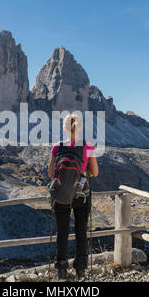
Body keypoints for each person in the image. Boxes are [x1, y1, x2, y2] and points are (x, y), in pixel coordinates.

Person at [48, 114, 98, 281]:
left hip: (62, 194)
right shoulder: (88, 146)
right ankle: (80, 270)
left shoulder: (57, 147)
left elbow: (50, 173)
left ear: (64, 128)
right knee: (81, 231)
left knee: (62, 231)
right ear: (80, 127)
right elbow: (95, 172)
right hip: (81, 195)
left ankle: (61, 270)